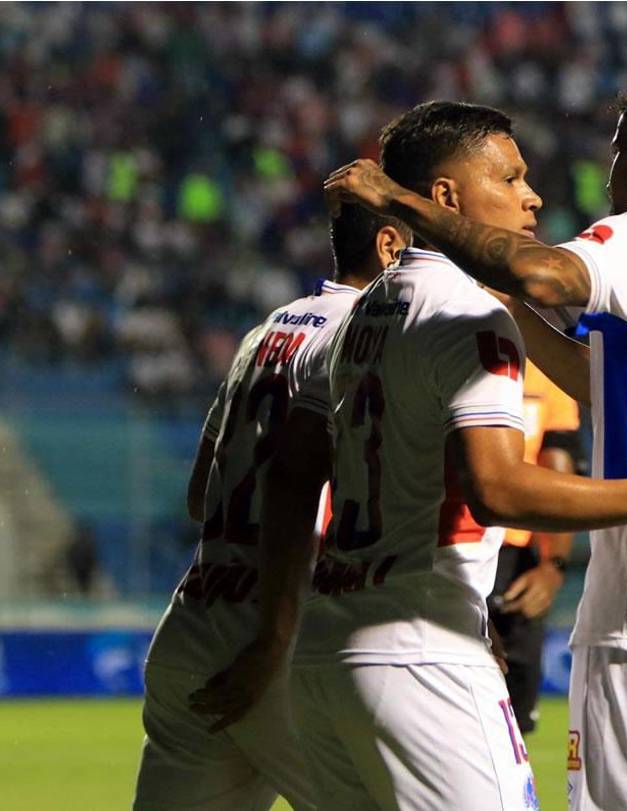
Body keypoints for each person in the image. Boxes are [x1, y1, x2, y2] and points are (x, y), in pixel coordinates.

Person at [326, 68, 627, 810]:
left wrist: (398, 199)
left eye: (617, 153)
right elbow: (612, 385)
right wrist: (514, 317)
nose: (604, 175)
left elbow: (539, 272)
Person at [132, 205, 411, 811]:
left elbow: (200, 493)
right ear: (391, 246)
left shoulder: (266, 331)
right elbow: (308, 493)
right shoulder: (370, 339)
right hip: (281, 644)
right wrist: (275, 631)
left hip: (194, 623)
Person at [491, 360, 583, 735]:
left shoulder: (546, 371)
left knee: (513, 727)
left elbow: (559, 464)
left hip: (516, 557)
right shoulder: (445, 341)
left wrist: (552, 565)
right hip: (446, 548)